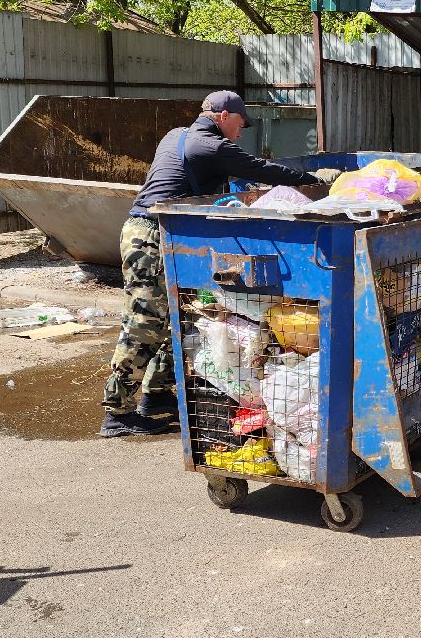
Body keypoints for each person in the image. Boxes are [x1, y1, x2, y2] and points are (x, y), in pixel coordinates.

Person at [99, 91, 323, 438]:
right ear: (222, 115)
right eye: (240, 123)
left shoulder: (176, 134)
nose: (242, 130)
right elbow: (261, 169)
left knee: (175, 317)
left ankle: (156, 397)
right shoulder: (213, 146)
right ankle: (116, 411)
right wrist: (314, 181)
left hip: (162, 233)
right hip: (152, 237)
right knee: (145, 321)